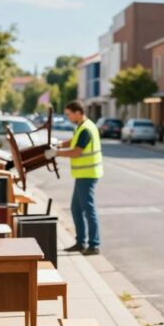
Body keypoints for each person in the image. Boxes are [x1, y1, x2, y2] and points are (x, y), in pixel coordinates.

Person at [55, 100, 104, 255]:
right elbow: (74, 142)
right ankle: (80, 242)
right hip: (83, 175)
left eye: (69, 114)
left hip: (87, 175)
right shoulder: (82, 127)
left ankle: (94, 245)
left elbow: (76, 151)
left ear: (78, 112)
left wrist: (56, 153)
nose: (68, 117)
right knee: (76, 209)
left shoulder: (85, 129)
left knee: (88, 209)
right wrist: (59, 144)